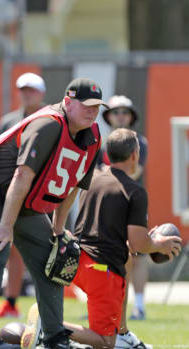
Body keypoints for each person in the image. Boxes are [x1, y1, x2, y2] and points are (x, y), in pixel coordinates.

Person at [0, 78, 106, 349]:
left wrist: (58, 230)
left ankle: (54, 337)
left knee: (54, 258)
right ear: (68, 102)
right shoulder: (48, 124)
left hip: (20, 195)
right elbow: (22, 175)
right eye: (86, 105)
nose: (92, 111)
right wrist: (6, 225)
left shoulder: (92, 135)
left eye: (96, 106)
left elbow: (73, 186)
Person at [59, 128, 181, 349]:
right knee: (105, 343)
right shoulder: (135, 191)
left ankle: (122, 332)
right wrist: (159, 244)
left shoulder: (93, 180)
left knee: (126, 260)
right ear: (135, 154)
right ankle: (50, 327)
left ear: (107, 154)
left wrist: (58, 230)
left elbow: (121, 239)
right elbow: (138, 243)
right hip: (101, 272)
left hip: (76, 264)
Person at [0, 72, 46, 319]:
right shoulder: (8, 122)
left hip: (42, 194)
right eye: (23, 89)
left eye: (32, 90)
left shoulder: (50, 120)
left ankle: (47, 304)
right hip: (13, 193)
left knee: (45, 251)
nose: (27, 94)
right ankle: (11, 302)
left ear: (41, 93)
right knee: (12, 249)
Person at [100, 95, 150, 321]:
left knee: (137, 255)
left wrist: (105, 176)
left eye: (124, 112)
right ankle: (104, 305)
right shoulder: (99, 142)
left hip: (131, 204)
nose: (120, 116)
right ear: (109, 116)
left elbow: (133, 172)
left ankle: (139, 306)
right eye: (116, 112)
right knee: (103, 257)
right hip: (105, 205)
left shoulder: (140, 141)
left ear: (131, 117)